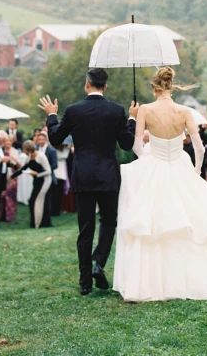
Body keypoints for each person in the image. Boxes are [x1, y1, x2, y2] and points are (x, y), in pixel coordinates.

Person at [112, 67, 207, 302]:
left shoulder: (145, 110)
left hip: (154, 166)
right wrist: (196, 171)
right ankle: (194, 277)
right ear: (171, 87)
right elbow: (199, 148)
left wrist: (149, 160)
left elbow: (137, 147)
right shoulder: (184, 112)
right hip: (180, 166)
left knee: (153, 223)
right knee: (191, 222)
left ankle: (152, 283)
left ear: (154, 87)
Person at [38, 66, 137, 296]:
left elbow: (55, 138)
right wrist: (132, 119)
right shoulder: (116, 110)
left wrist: (52, 114)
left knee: (85, 229)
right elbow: (126, 144)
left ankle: (85, 282)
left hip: (82, 174)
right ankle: (98, 263)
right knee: (109, 221)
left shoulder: (73, 110)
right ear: (106, 86)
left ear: (87, 84)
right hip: (108, 175)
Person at [16, 139, 52, 229]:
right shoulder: (29, 157)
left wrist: (37, 174)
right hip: (36, 182)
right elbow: (22, 169)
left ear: (28, 149)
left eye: (24, 149)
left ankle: (41, 223)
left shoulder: (41, 156)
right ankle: (34, 223)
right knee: (32, 201)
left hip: (45, 180)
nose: (24, 151)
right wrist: (11, 177)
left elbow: (49, 171)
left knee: (38, 201)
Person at [36, 131, 57, 226]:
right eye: (39, 139)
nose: (40, 141)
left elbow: (55, 165)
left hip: (48, 178)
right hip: (37, 179)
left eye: (42, 139)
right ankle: (37, 221)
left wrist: (45, 170)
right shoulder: (35, 149)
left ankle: (47, 222)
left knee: (47, 201)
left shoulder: (51, 150)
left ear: (46, 140)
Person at [0, 137, 21, 223]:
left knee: (11, 196)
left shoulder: (15, 151)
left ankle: (10, 216)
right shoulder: (1, 150)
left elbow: (19, 165)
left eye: (10, 141)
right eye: (6, 141)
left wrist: (14, 161)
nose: (8, 143)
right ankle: (1, 215)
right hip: (1, 175)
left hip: (12, 176)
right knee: (2, 195)